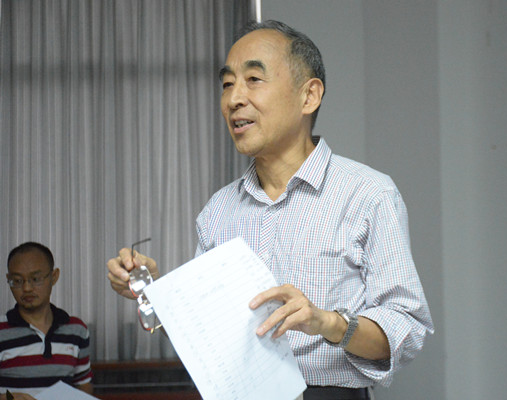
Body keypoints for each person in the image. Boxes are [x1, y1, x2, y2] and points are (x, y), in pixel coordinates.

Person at [107, 20, 433, 400]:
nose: (234, 99)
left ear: (308, 96)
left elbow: (406, 329)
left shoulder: (367, 194)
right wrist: (157, 290)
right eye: (227, 84)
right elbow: (207, 335)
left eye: (253, 79)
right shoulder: (218, 212)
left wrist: (328, 323)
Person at [1, 242, 93, 400]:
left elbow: (83, 384)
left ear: (54, 277)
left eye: (35, 279)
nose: (27, 288)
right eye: (17, 281)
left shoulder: (76, 330)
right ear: (8, 280)